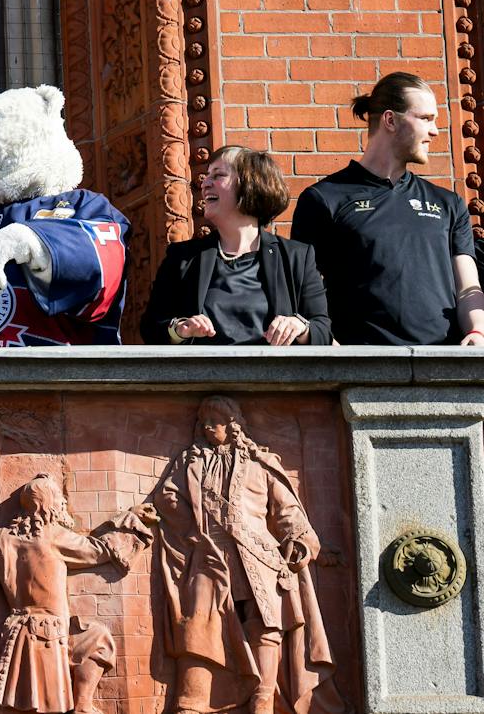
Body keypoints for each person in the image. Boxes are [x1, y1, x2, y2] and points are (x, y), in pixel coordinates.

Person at [131, 397, 339, 714]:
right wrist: (192, 529)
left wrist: (300, 541)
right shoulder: (190, 461)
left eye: (212, 421)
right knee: (199, 622)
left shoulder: (260, 463)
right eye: (202, 421)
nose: (205, 427)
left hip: (258, 556)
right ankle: (194, 699)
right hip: (209, 555)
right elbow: (167, 496)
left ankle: (262, 700)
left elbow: (287, 512)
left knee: (266, 623)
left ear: (232, 425)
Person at [291, 71, 484, 345]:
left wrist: (477, 331)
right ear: (390, 120)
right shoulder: (324, 199)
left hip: (444, 361)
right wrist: (334, 351)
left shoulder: (448, 204)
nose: (434, 131)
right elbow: (301, 292)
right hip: (364, 363)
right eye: (426, 118)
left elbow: (468, 288)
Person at [0, 474, 137, 714]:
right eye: (58, 498)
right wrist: (132, 521)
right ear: (46, 504)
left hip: (17, 630)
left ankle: (81, 705)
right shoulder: (53, 534)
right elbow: (97, 550)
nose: (62, 503)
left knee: (97, 638)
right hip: (49, 633)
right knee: (36, 705)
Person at [144, 146, 330, 346]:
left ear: (251, 184)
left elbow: (322, 331)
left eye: (218, 175)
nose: (204, 184)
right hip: (205, 367)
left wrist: (300, 327)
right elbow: (151, 328)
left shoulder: (296, 257)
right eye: (207, 176)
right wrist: (180, 329)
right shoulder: (182, 257)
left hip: (274, 367)